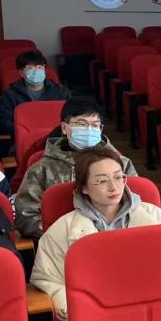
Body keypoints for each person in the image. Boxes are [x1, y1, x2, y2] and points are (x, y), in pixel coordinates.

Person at [30, 147, 161, 321]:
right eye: (101, 181)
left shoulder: (157, 218)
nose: (114, 187)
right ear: (84, 188)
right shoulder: (61, 230)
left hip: (151, 314)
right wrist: (80, 308)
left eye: (118, 177)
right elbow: (47, 281)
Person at [15, 97, 137, 239]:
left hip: (117, 235)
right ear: (64, 128)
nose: (89, 130)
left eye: (95, 125)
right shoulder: (42, 169)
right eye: (81, 124)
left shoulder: (121, 164)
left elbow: (136, 204)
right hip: (64, 240)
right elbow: (25, 215)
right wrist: (61, 235)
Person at [0, 50, 71, 136]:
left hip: (57, 137)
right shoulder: (10, 95)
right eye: (30, 68)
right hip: (24, 137)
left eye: (39, 67)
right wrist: (27, 132)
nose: (36, 71)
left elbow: (71, 117)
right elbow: (5, 122)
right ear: (21, 73)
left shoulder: (61, 92)